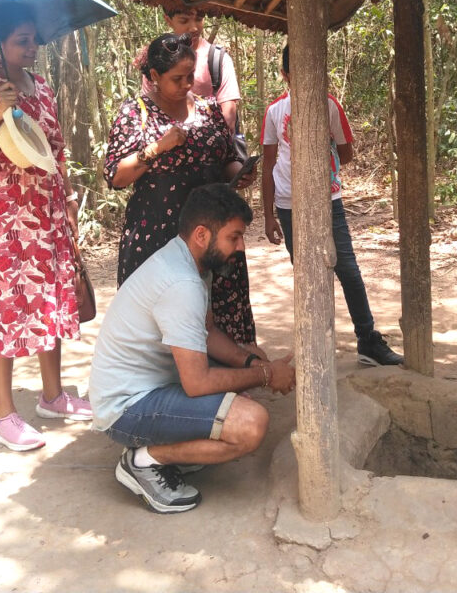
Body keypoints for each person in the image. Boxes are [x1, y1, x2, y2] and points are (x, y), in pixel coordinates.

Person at [90, 184, 295, 513]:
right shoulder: (181, 284)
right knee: (249, 424)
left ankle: (172, 449)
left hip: (145, 390)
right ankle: (143, 461)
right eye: (234, 237)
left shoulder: (187, 259)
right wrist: (266, 375)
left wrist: (247, 361)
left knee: (236, 398)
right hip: (126, 408)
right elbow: (197, 383)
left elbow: (207, 329)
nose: (241, 247)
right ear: (202, 234)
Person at [0, 0, 91, 452]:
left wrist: (67, 198)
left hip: (45, 214)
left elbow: (55, 152)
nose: (33, 47)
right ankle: (4, 414)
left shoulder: (43, 88)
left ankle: (52, 396)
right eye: (22, 41)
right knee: (4, 306)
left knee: (48, 297)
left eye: (34, 39)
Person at [105, 32, 260, 347]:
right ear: (154, 76)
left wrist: (240, 173)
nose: (187, 84)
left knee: (217, 311)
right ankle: (176, 385)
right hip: (160, 235)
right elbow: (115, 176)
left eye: (191, 76)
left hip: (213, 233)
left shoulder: (207, 108)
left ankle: (225, 378)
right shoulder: (135, 113)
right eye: (178, 78)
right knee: (167, 317)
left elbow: (227, 158)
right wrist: (157, 148)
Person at [261, 44, 404, 367]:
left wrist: (322, 166)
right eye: (295, 71)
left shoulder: (329, 106)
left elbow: (346, 151)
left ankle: (367, 339)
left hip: (328, 200)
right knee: (307, 274)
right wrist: (268, 215)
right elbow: (268, 164)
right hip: (288, 203)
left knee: (348, 269)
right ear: (285, 74)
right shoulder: (274, 112)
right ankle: (314, 341)